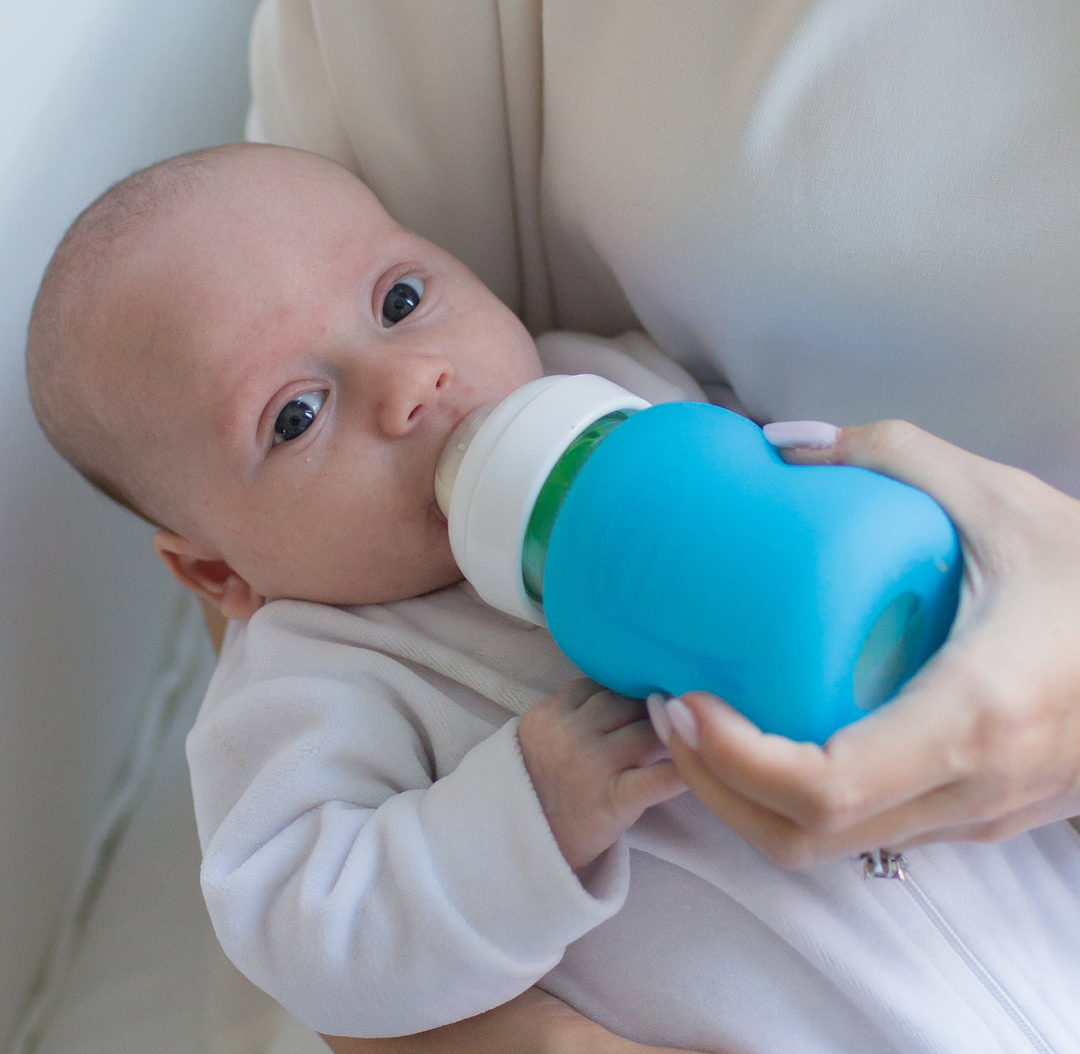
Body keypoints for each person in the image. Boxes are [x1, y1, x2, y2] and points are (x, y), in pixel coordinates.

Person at [26, 141, 1080, 1053]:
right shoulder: (312, 674)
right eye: (296, 416)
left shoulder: (618, 393)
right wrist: (526, 814)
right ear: (219, 572)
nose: (411, 385)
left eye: (400, 302)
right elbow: (308, 929)